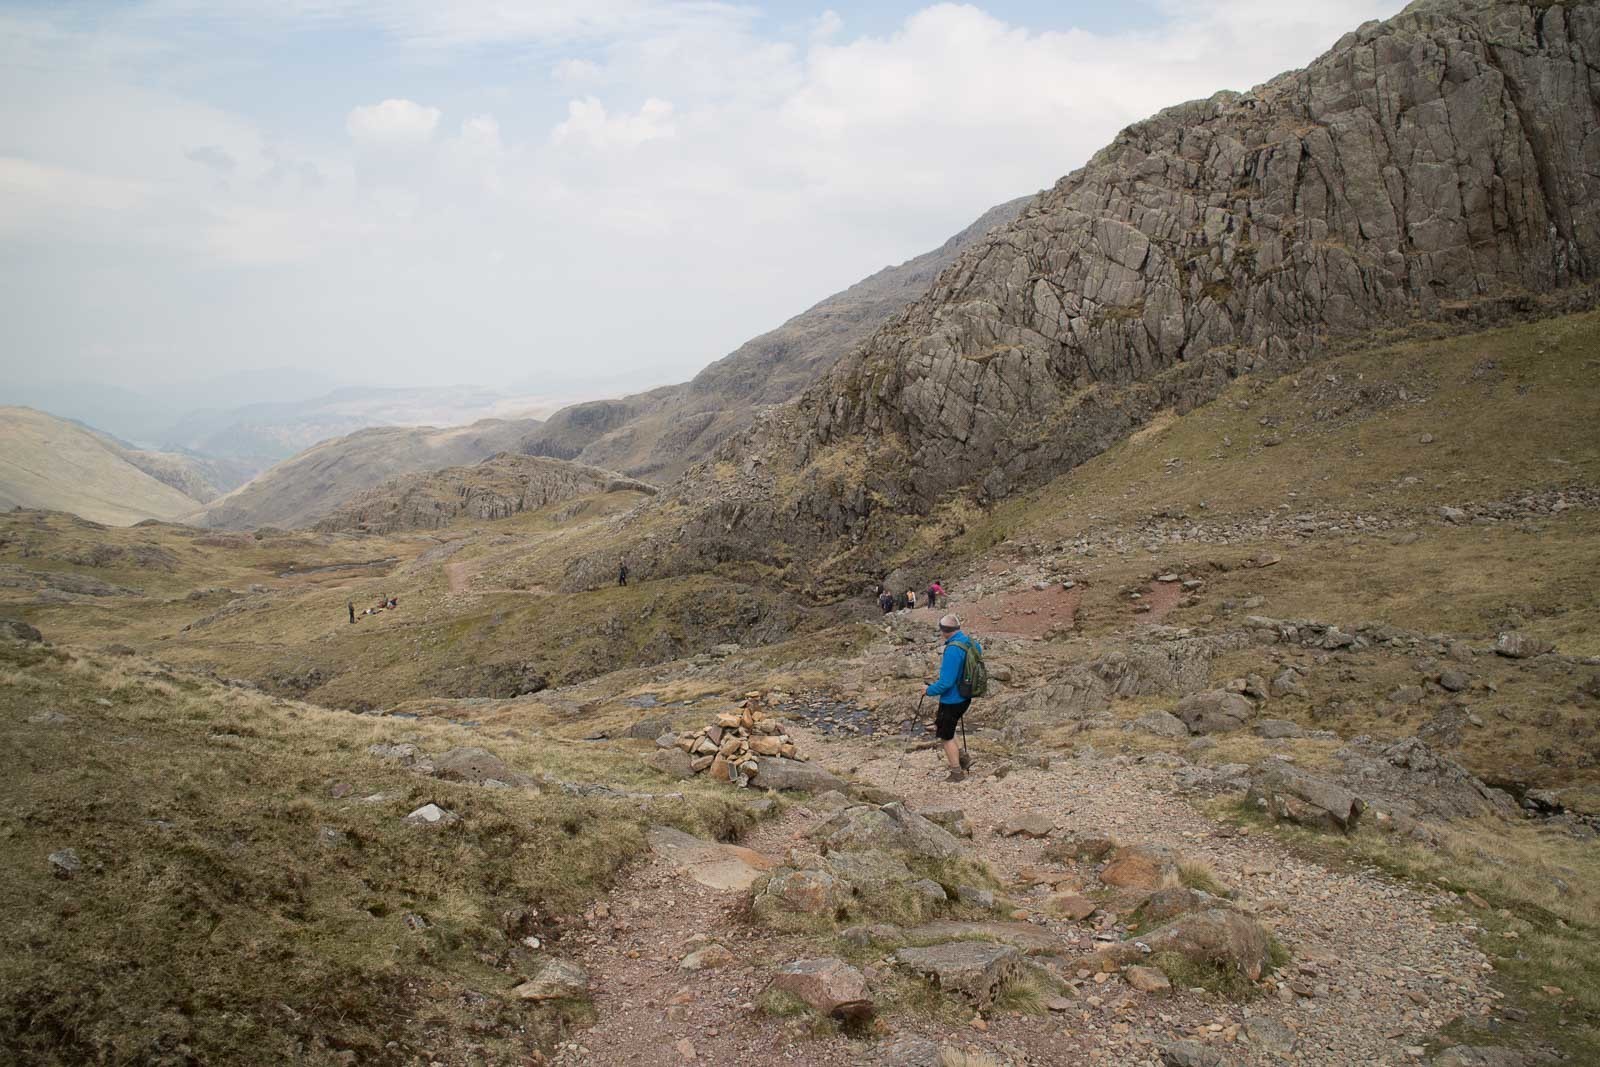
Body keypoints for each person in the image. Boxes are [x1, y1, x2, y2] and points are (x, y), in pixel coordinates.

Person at [924, 614, 981, 782]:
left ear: (944, 631)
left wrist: (928, 690)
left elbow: (946, 683)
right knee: (948, 727)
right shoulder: (972, 643)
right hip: (966, 695)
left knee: (945, 735)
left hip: (951, 699)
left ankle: (956, 773)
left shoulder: (952, 649)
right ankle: (963, 757)